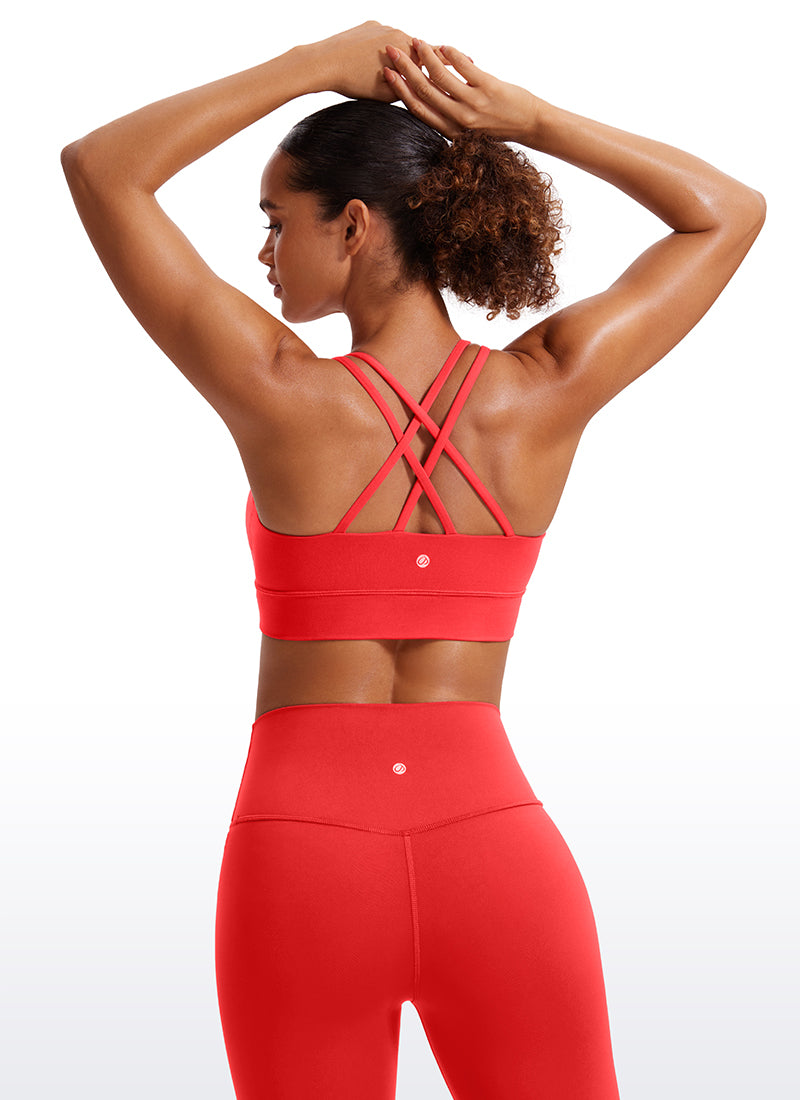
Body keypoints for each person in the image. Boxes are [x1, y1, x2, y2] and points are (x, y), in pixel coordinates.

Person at [60, 20, 766, 1100]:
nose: (262, 254)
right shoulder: (545, 390)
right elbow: (726, 212)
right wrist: (526, 119)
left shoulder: (276, 391)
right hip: (495, 853)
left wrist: (314, 64)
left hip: (303, 857)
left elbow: (102, 167)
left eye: (274, 221)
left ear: (352, 224)